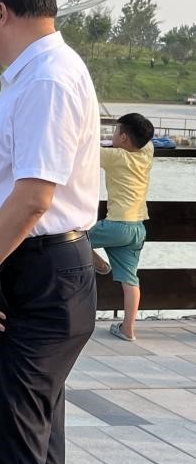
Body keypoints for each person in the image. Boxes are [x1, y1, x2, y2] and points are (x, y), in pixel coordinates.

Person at [0, 0, 100, 464]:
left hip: (26, 276)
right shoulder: (40, 73)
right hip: (34, 269)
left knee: (12, 448)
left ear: (0, 13)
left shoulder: (46, 80)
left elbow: (35, 196)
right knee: (32, 442)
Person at [90, 112, 154, 342]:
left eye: (116, 131)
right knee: (130, 279)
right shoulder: (147, 153)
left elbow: (83, 151)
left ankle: (99, 264)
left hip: (117, 224)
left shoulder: (114, 157)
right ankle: (128, 329)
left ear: (124, 137)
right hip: (137, 228)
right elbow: (145, 142)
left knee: (72, 238)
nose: (113, 135)